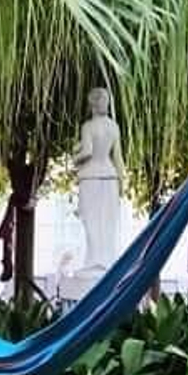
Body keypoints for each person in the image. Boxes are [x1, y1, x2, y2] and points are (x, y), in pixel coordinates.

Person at [74, 87, 124, 270]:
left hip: (91, 177)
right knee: (107, 222)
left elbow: (86, 152)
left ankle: (94, 261)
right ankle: (107, 261)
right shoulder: (114, 127)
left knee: (91, 221)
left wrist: (74, 157)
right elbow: (118, 158)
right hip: (110, 176)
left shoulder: (88, 127)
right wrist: (122, 182)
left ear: (92, 105)